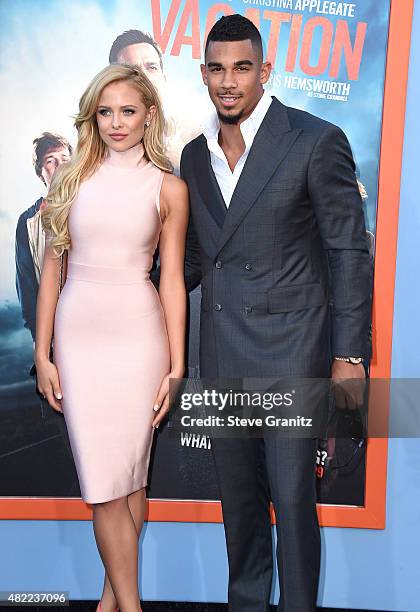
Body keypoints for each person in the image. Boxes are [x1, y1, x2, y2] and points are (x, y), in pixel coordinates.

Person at [181, 14, 371, 612]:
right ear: (203, 73)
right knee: (239, 511)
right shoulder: (192, 157)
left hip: (294, 353)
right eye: (217, 68)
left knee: (292, 506)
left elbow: (347, 251)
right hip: (222, 355)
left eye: (242, 67)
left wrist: (348, 356)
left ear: (265, 70)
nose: (228, 81)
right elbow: (192, 261)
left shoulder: (315, 140)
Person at [35, 63, 188, 612]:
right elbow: (52, 270)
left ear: (149, 115)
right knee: (103, 482)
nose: (117, 123)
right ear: (92, 117)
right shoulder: (69, 180)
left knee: (130, 479)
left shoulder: (169, 187)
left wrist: (176, 365)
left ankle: (113, 599)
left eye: (128, 111)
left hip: (140, 337)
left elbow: (170, 279)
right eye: (106, 112)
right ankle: (130, 604)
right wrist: (43, 351)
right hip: (79, 338)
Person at [109, 29, 201, 172]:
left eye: (151, 67)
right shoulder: (98, 150)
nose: (144, 77)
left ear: (164, 79)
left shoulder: (196, 139)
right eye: (131, 70)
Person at [15, 132, 72, 341]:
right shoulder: (28, 222)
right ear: (40, 171)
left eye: (65, 160)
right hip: (51, 336)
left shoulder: (90, 205)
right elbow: (26, 287)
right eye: (51, 160)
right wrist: (42, 343)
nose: (60, 166)